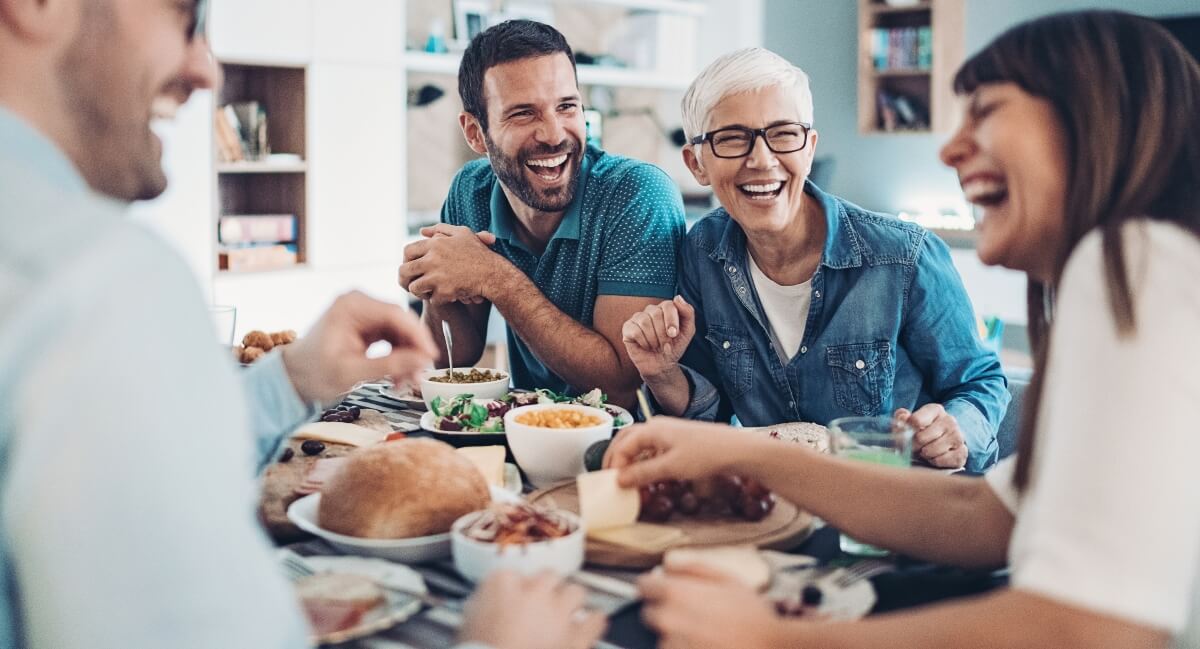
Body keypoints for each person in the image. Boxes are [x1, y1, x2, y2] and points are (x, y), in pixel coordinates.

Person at [0, 2, 602, 648]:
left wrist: (290, 379)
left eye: (567, 106)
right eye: (183, 14)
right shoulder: (102, 281)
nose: (206, 68)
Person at [605, 11, 1200, 648]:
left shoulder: (1143, 266)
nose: (949, 148)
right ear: (697, 160)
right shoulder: (1125, 269)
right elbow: (987, 516)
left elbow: (1096, 630)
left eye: (987, 110)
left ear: (1091, 121)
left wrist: (770, 639)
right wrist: (740, 452)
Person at [620, 47, 1009, 471]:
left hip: (889, 508)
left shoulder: (904, 256)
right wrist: (661, 372)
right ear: (696, 164)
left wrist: (955, 431)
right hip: (775, 505)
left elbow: (981, 383)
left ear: (808, 148)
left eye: (784, 134)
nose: (762, 160)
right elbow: (710, 415)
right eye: (732, 138)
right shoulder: (702, 253)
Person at [398, 20, 685, 408]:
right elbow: (450, 359)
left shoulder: (636, 195)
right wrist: (438, 277)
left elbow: (623, 386)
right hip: (528, 429)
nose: (553, 134)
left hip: (635, 445)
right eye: (522, 114)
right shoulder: (471, 191)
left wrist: (494, 276)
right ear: (475, 133)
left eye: (566, 106)